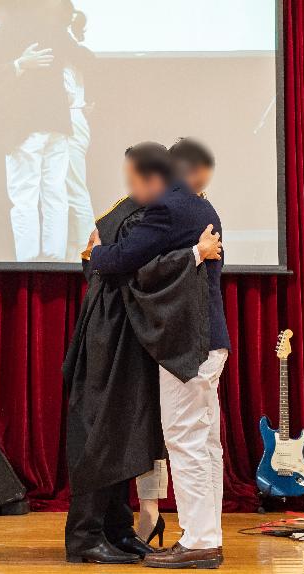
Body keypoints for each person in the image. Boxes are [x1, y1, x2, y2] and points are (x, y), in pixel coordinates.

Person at [64, 142, 220, 565]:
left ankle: (117, 528)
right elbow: (110, 265)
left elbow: (114, 260)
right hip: (109, 333)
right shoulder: (136, 210)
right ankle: (87, 534)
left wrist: (98, 255)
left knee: (126, 436)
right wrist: (99, 256)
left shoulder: (163, 208)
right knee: (101, 432)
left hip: (135, 334)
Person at [133, 137, 221, 547]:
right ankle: (207, 536)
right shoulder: (204, 207)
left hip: (188, 346)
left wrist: (98, 256)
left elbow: (129, 262)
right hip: (210, 342)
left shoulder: (171, 206)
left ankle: (199, 542)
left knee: (185, 441)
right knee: (205, 442)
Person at [0, 0, 92, 262]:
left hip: (23, 127)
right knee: (55, 192)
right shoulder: (54, 29)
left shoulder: (1, 35)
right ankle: (53, 260)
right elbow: (86, 59)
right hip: (56, 124)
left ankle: (28, 261)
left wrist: (18, 65)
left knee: (25, 196)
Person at [62, 1, 96, 260]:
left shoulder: (70, 52)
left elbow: (68, 93)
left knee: (75, 186)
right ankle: (75, 243)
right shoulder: (72, 51)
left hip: (70, 120)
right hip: (71, 120)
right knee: (64, 187)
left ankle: (86, 246)